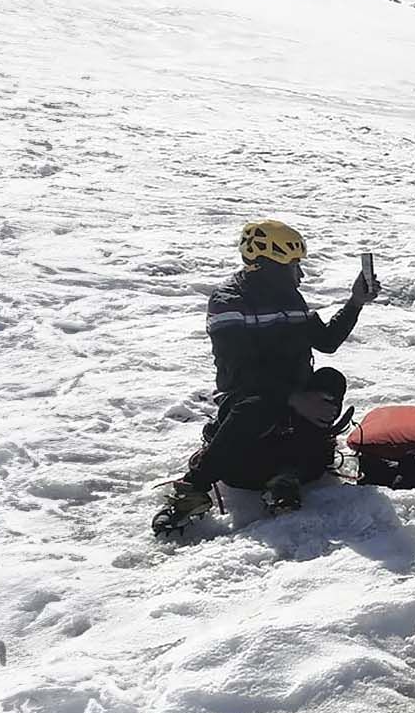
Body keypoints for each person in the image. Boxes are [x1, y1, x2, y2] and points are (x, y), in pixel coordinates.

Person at [151, 219, 378, 534]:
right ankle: (193, 489)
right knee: (258, 404)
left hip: (292, 402)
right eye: (293, 266)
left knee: (330, 379)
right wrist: (294, 398)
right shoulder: (229, 300)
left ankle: (286, 476)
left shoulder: (291, 298)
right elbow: (241, 370)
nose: (300, 275)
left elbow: (325, 342)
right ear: (269, 265)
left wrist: (355, 303)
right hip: (249, 403)